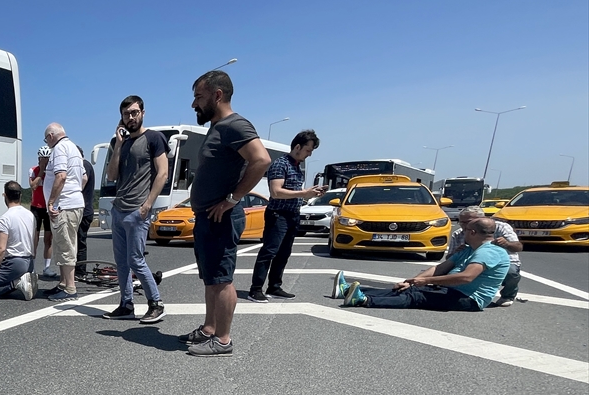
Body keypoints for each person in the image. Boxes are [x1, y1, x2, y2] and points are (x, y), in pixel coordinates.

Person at [180, 71, 271, 356]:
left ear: (217, 95)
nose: (194, 104)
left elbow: (261, 159)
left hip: (222, 218)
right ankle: (209, 329)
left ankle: (222, 340)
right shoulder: (217, 127)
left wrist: (233, 199)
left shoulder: (235, 125)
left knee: (221, 279)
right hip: (207, 218)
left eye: (198, 97)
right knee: (211, 278)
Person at [336, 217, 509, 311]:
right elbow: (440, 268)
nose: (462, 233)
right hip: (452, 290)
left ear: (472, 232)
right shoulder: (469, 248)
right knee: (406, 289)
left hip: (469, 299)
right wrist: (412, 281)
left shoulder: (490, 251)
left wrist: (426, 282)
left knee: (416, 297)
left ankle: (364, 300)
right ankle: (347, 291)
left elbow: (466, 277)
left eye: (465, 230)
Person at [101, 95, 169, 324]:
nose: (130, 117)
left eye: (134, 112)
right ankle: (126, 304)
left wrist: (148, 204)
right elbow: (111, 175)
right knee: (121, 262)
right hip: (119, 209)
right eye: (126, 114)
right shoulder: (120, 143)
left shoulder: (154, 138)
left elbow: (162, 173)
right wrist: (119, 145)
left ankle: (156, 304)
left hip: (137, 210)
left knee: (136, 259)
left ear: (142, 112)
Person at [249, 130, 323, 302]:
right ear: (297, 146)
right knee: (269, 251)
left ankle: (274, 286)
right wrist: (304, 193)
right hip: (278, 214)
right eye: (308, 149)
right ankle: (256, 289)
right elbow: (275, 192)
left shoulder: (297, 166)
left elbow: (296, 192)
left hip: (293, 215)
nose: (310, 153)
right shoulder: (280, 164)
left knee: (284, 253)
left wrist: (310, 194)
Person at [41, 124, 85, 301]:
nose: (47, 143)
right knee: (63, 244)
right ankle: (63, 283)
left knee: (65, 245)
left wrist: (52, 201)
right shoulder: (73, 147)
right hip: (73, 203)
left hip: (64, 205)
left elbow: (61, 176)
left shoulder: (59, 149)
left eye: (46, 139)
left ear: (51, 136)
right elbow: (84, 177)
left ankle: (70, 288)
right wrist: (76, 193)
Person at [446, 207, 522, 306]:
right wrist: (456, 253)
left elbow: (518, 247)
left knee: (511, 272)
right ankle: (457, 290)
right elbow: (448, 259)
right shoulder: (458, 234)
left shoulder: (501, 227)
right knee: (451, 270)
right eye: (461, 222)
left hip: (502, 261)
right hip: (472, 262)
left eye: (468, 222)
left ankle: (508, 295)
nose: (465, 226)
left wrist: (506, 243)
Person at [0, 181, 36, 300]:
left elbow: (1, 249)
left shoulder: (5, 218)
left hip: (15, 263)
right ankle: (20, 280)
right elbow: (34, 240)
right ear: (20, 196)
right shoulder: (30, 215)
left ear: (5, 196)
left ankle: (16, 282)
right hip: (29, 262)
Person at [29, 145, 55, 278]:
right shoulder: (34, 170)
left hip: (47, 207)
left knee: (48, 239)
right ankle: (31, 267)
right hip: (36, 208)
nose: (44, 161)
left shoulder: (52, 172)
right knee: (34, 239)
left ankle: (47, 267)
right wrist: (41, 171)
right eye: (42, 159)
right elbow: (33, 186)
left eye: (47, 159)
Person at [75, 144, 96, 276]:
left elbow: (83, 181)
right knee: (77, 242)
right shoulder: (85, 165)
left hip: (84, 211)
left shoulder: (84, 165)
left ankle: (80, 271)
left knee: (80, 242)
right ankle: (78, 270)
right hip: (85, 210)